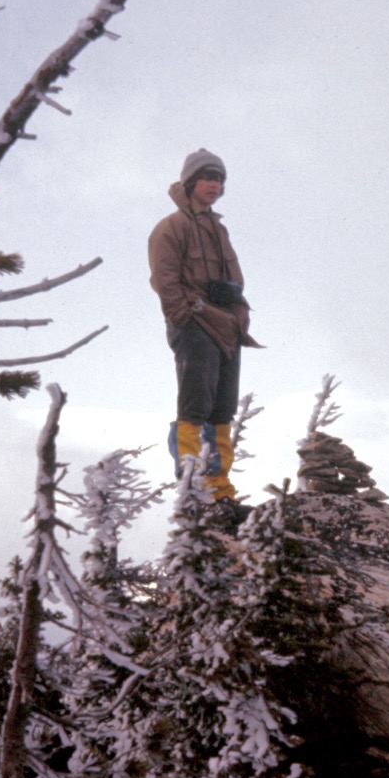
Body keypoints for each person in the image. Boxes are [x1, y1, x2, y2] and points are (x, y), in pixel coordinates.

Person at [148, 147, 258, 511]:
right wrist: (184, 317)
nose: (215, 185)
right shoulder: (170, 227)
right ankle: (195, 486)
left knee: (222, 409)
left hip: (227, 328)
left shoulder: (218, 229)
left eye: (220, 180)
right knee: (194, 406)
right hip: (195, 325)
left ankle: (220, 488)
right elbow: (164, 281)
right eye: (209, 178)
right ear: (191, 181)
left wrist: (238, 311)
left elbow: (236, 278)